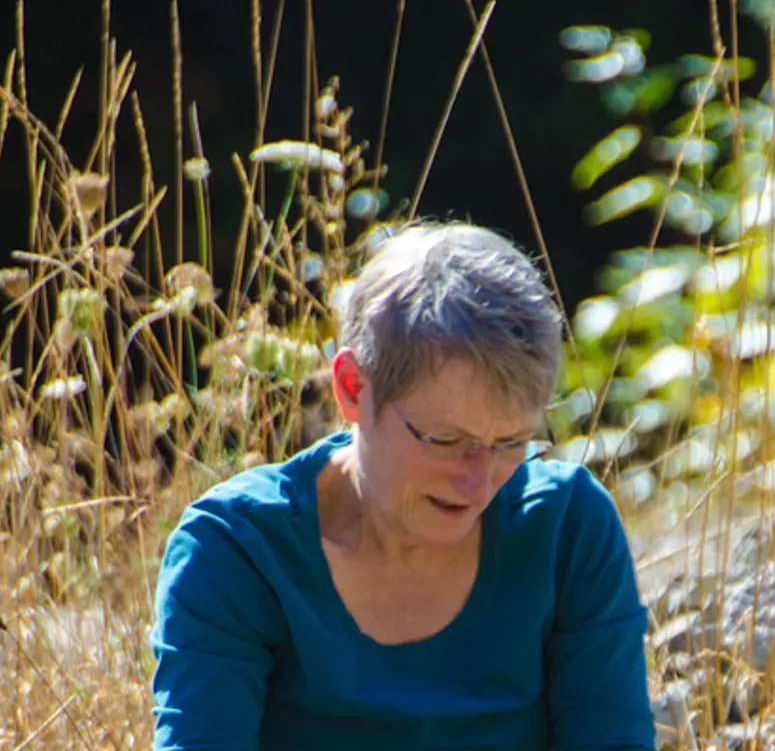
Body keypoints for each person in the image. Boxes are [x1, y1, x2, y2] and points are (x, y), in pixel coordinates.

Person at [150, 222, 655, 750]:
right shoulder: (237, 549)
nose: (478, 483)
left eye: (511, 443)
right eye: (444, 439)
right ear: (352, 389)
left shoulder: (566, 525)